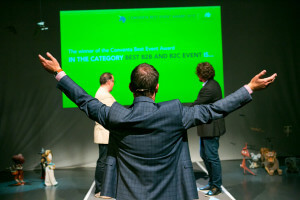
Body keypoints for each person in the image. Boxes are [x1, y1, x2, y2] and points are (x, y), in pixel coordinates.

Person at [38, 52, 276, 200]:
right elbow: (216, 109)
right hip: (171, 193)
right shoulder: (176, 113)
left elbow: (84, 100)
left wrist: (59, 73)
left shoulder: (116, 115)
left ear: (130, 88)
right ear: (158, 88)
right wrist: (250, 88)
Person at [191, 62, 225, 196]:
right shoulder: (213, 84)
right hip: (208, 127)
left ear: (201, 75)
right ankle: (212, 183)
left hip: (211, 128)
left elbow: (197, 104)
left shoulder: (208, 88)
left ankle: (216, 186)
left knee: (212, 157)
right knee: (205, 155)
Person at [94, 73, 115, 199]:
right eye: (113, 81)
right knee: (103, 161)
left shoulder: (101, 93)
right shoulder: (104, 95)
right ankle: (100, 190)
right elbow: (112, 113)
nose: (113, 84)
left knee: (105, 160)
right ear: (108, 81)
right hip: (105, 132)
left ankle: (103, 189)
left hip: (105, 132)